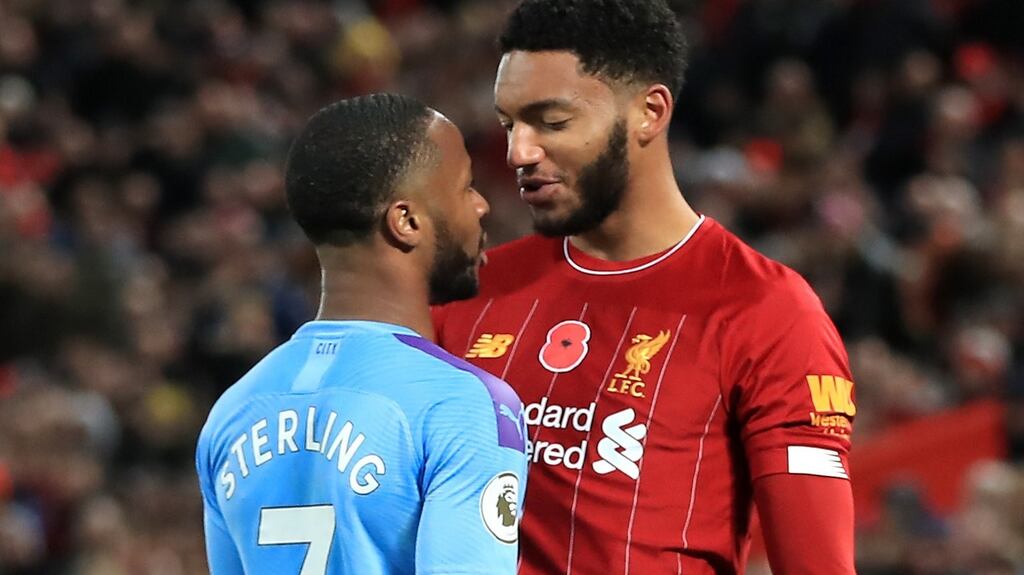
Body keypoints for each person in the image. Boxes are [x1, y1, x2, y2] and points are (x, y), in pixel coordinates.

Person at [431, 1, 856, 573]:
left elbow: (816, 565)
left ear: (649, 112)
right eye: (511, 125)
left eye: (552, 122)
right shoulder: (468, 294)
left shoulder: (767, 311)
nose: (519, 153)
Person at [196, 93, 527, 575]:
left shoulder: (233, 409)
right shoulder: (463, 404)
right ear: (406, 221)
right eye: (465, 187)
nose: (481, 205)